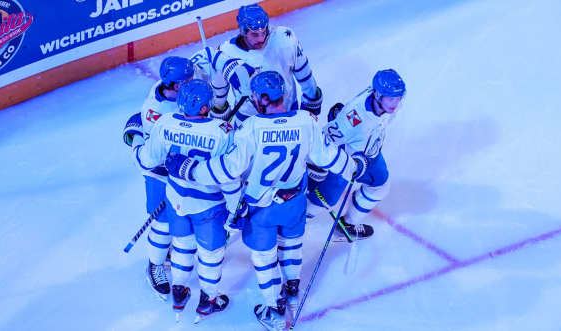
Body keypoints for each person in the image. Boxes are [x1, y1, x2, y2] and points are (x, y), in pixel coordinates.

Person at [164, 71, 367, 331]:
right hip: (294, 201)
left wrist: (189, 170)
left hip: (260, 207)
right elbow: (328, 158)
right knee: (292, 245)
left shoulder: (250, 129)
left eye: (255, 97)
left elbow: (228, 170)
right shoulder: (307, 121)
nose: (252, 101)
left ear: (262, 98)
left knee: (264, 258)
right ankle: (292, 289)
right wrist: (354, 166)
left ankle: (274, 310)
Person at [122, 51, 253, 301]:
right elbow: (157, 156)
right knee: (162, 224)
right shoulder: (158, 112)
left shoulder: (177, 93)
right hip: (162, 173)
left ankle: (175, 258)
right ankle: (155, 266)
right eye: (187, 79)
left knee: (180, 225)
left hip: (184, 173)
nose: (194, 80)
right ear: (173, 85)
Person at [306, 69, 406, 241]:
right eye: (391, 98)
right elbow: (321, 142)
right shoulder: (354, 120)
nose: (396, 103)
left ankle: (346, 226)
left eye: (398, 97)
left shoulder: (390, 99)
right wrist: (313, 168)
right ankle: (286, 234)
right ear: (377, 94)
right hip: (345, 160)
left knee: (380, 186)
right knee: (324, 199)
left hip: (370, 153)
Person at [217, 4, 324, 128]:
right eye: (255, 34)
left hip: (287, 113)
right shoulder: (225, 53)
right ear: (242, 30)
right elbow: (219, 95)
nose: (261, 38)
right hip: (248, 123)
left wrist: (307, 114)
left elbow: (306, 79)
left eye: (264, 32)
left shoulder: (285, 39)